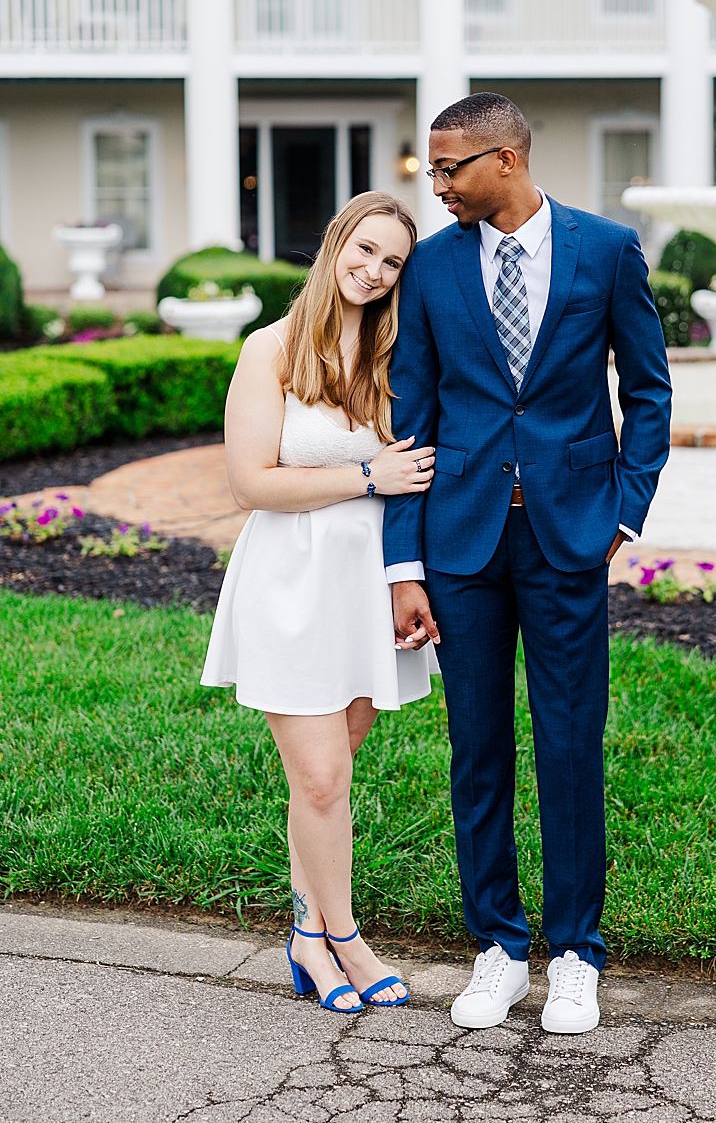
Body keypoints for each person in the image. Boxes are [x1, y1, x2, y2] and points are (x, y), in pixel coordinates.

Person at [384, 93, 671, 1034]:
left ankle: (577, 953)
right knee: (478, 751)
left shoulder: (605, 250)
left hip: (568, 537)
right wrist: (404, 565)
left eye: (448, 169)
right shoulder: (428, 269)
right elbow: (411, 417)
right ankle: (500, 947)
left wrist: (623, 512)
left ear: (504, 159)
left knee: (568, 741)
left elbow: (649, 389)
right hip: (462, 541)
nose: (437, 186)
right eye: (431, 170)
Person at [201, 191, 438, 1014]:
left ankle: (308, 936)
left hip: (367, 587)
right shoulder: (268, 349)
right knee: (324, 774)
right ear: (336, 240)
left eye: (392, 262)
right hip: (290, 582)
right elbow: (249, 483)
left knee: (324, 787)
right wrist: (365, 477)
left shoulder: (395, 355)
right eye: (364, 250)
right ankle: (344, 938)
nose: (373, 272)